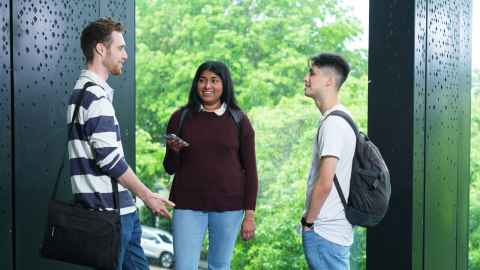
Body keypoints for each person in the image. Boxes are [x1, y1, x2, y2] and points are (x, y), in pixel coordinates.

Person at [67, 17, 174, 270]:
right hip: (110, 218)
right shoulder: (94, 96)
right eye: (120, 48)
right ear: (100, 49)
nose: (125, 55)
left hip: (119, 214)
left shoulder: (82, 92)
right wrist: (148, 196)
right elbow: (110, 160)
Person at [163, 60, 259, 270]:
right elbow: (170, 168)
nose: (207, 86)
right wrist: (174, 149)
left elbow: (250, 170)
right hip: (187, 205)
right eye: (202, 80)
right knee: (184, 267)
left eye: (214, 80)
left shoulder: (239, 120)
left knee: (219, 266)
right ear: (196, 84)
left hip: (229, 207)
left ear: (224, 84)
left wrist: (249, 214)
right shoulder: (180, 118)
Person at [301, 53, 356, 270]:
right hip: (335, 230)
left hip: (325, 230)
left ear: (329, 81)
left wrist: (308, 222)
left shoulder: (333, 123)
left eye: (311, 74)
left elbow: (325, 182)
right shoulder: (343, 117)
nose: (306, 79)